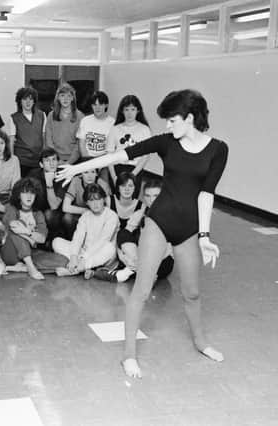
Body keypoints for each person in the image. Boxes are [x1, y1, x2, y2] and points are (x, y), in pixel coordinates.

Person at [56, 89, 229, 379]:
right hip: (160, 221)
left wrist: (204, 236)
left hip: (188, 229)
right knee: (142, 289)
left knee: (193, 292)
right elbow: (118, 155)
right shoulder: (166, 142)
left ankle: (201, 342)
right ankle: (129, 355)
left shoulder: (218, 149)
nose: (168, 126)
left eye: (172, 120)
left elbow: (206, 195)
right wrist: (77, 167)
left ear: (189, 118)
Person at [94, 177, 174, 284]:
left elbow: (167, 250)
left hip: (162, 261)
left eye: (156, 196)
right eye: (148, 196)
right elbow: (123, 235)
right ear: (144, 197)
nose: (152, 200)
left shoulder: (170, 216)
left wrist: (140, 262)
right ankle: (145, 276)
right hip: (140, 255)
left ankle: (126, 273)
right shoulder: (140, 213)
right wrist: (122, 257)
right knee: (123, 233)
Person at [1, 178, 67, 280]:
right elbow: (14, 227)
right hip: (11, 252)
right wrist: (31, 238)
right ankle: (31, 269)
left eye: (32, 193)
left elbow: (42, 239)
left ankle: (21, 267)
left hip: (31, 252)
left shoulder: (38, 214)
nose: (29, 196)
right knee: (20, 224)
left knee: (63, 261)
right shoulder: (11, 208)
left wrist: (26, 231)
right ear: (19, 195)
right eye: (25, 193)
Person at [52, 183, 119, 279]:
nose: (95, 203)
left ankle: (76, 270)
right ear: (87, 203)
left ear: (103, 199)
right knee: (56, 242)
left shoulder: (111, 216)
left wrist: (83, 259)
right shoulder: (85, 216)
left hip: (101, 253)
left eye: (98, 199)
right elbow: (78, 237)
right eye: (91, 200)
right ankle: (80, 266)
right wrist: (74, 256)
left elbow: (103, 240)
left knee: (110, 249)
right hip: (84, 252)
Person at [107, 94, 152, 193]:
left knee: (132, 201)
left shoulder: (144, 129)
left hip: (136, 169)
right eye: (126, 109)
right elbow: (109, 154)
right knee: (116, 200)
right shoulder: (115, 129)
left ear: (138, 110)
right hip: (118, 168)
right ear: (122, 111)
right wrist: (114, 177)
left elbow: (146, 156)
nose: (129, 113)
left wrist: (133, 175)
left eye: (133, 109)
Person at [28, 148, 67, 243]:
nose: (51, 163)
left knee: (49, 215)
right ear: (41, 164)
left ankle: (52, 240)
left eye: (54, 159)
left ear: (58, 162)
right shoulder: (34, 174)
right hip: (38, 208)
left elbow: (54, 206)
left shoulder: (62, 175)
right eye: (47, 161)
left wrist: (49, 183)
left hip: (56, 212)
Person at [8, 86, 45, 177]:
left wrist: (44, 158)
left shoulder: (42, 115)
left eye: (31, 99)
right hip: (22, 161)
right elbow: (11, 141)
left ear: (34, 101)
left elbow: (44, 137)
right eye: (25, 99)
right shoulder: (13, 118)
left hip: (38, 161)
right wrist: (12, 161)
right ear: (20, 101)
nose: (28, 102)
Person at [62, 168, 111, 235]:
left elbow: (108, 208)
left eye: (92, 172)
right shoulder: (76, 180)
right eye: (86, 172)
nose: (89, 176)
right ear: (81, 174)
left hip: (97, 215)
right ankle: (72, 240)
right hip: (80, 213)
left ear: (96, 174)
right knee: (67, 218)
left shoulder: (102, 184)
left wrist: (95, 213)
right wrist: (87, 211)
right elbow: (65, 207)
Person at [44, 83, 83, 165]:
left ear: (72, 98)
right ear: (58, 97)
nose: (65, 99)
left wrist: (69, 162)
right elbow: (48, 140)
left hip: (74, 160)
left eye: (68, 96)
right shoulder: (51, 115)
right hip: (54, 160)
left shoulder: (80, 116)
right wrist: (56, 160)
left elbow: (79, 143)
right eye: (62, 95)